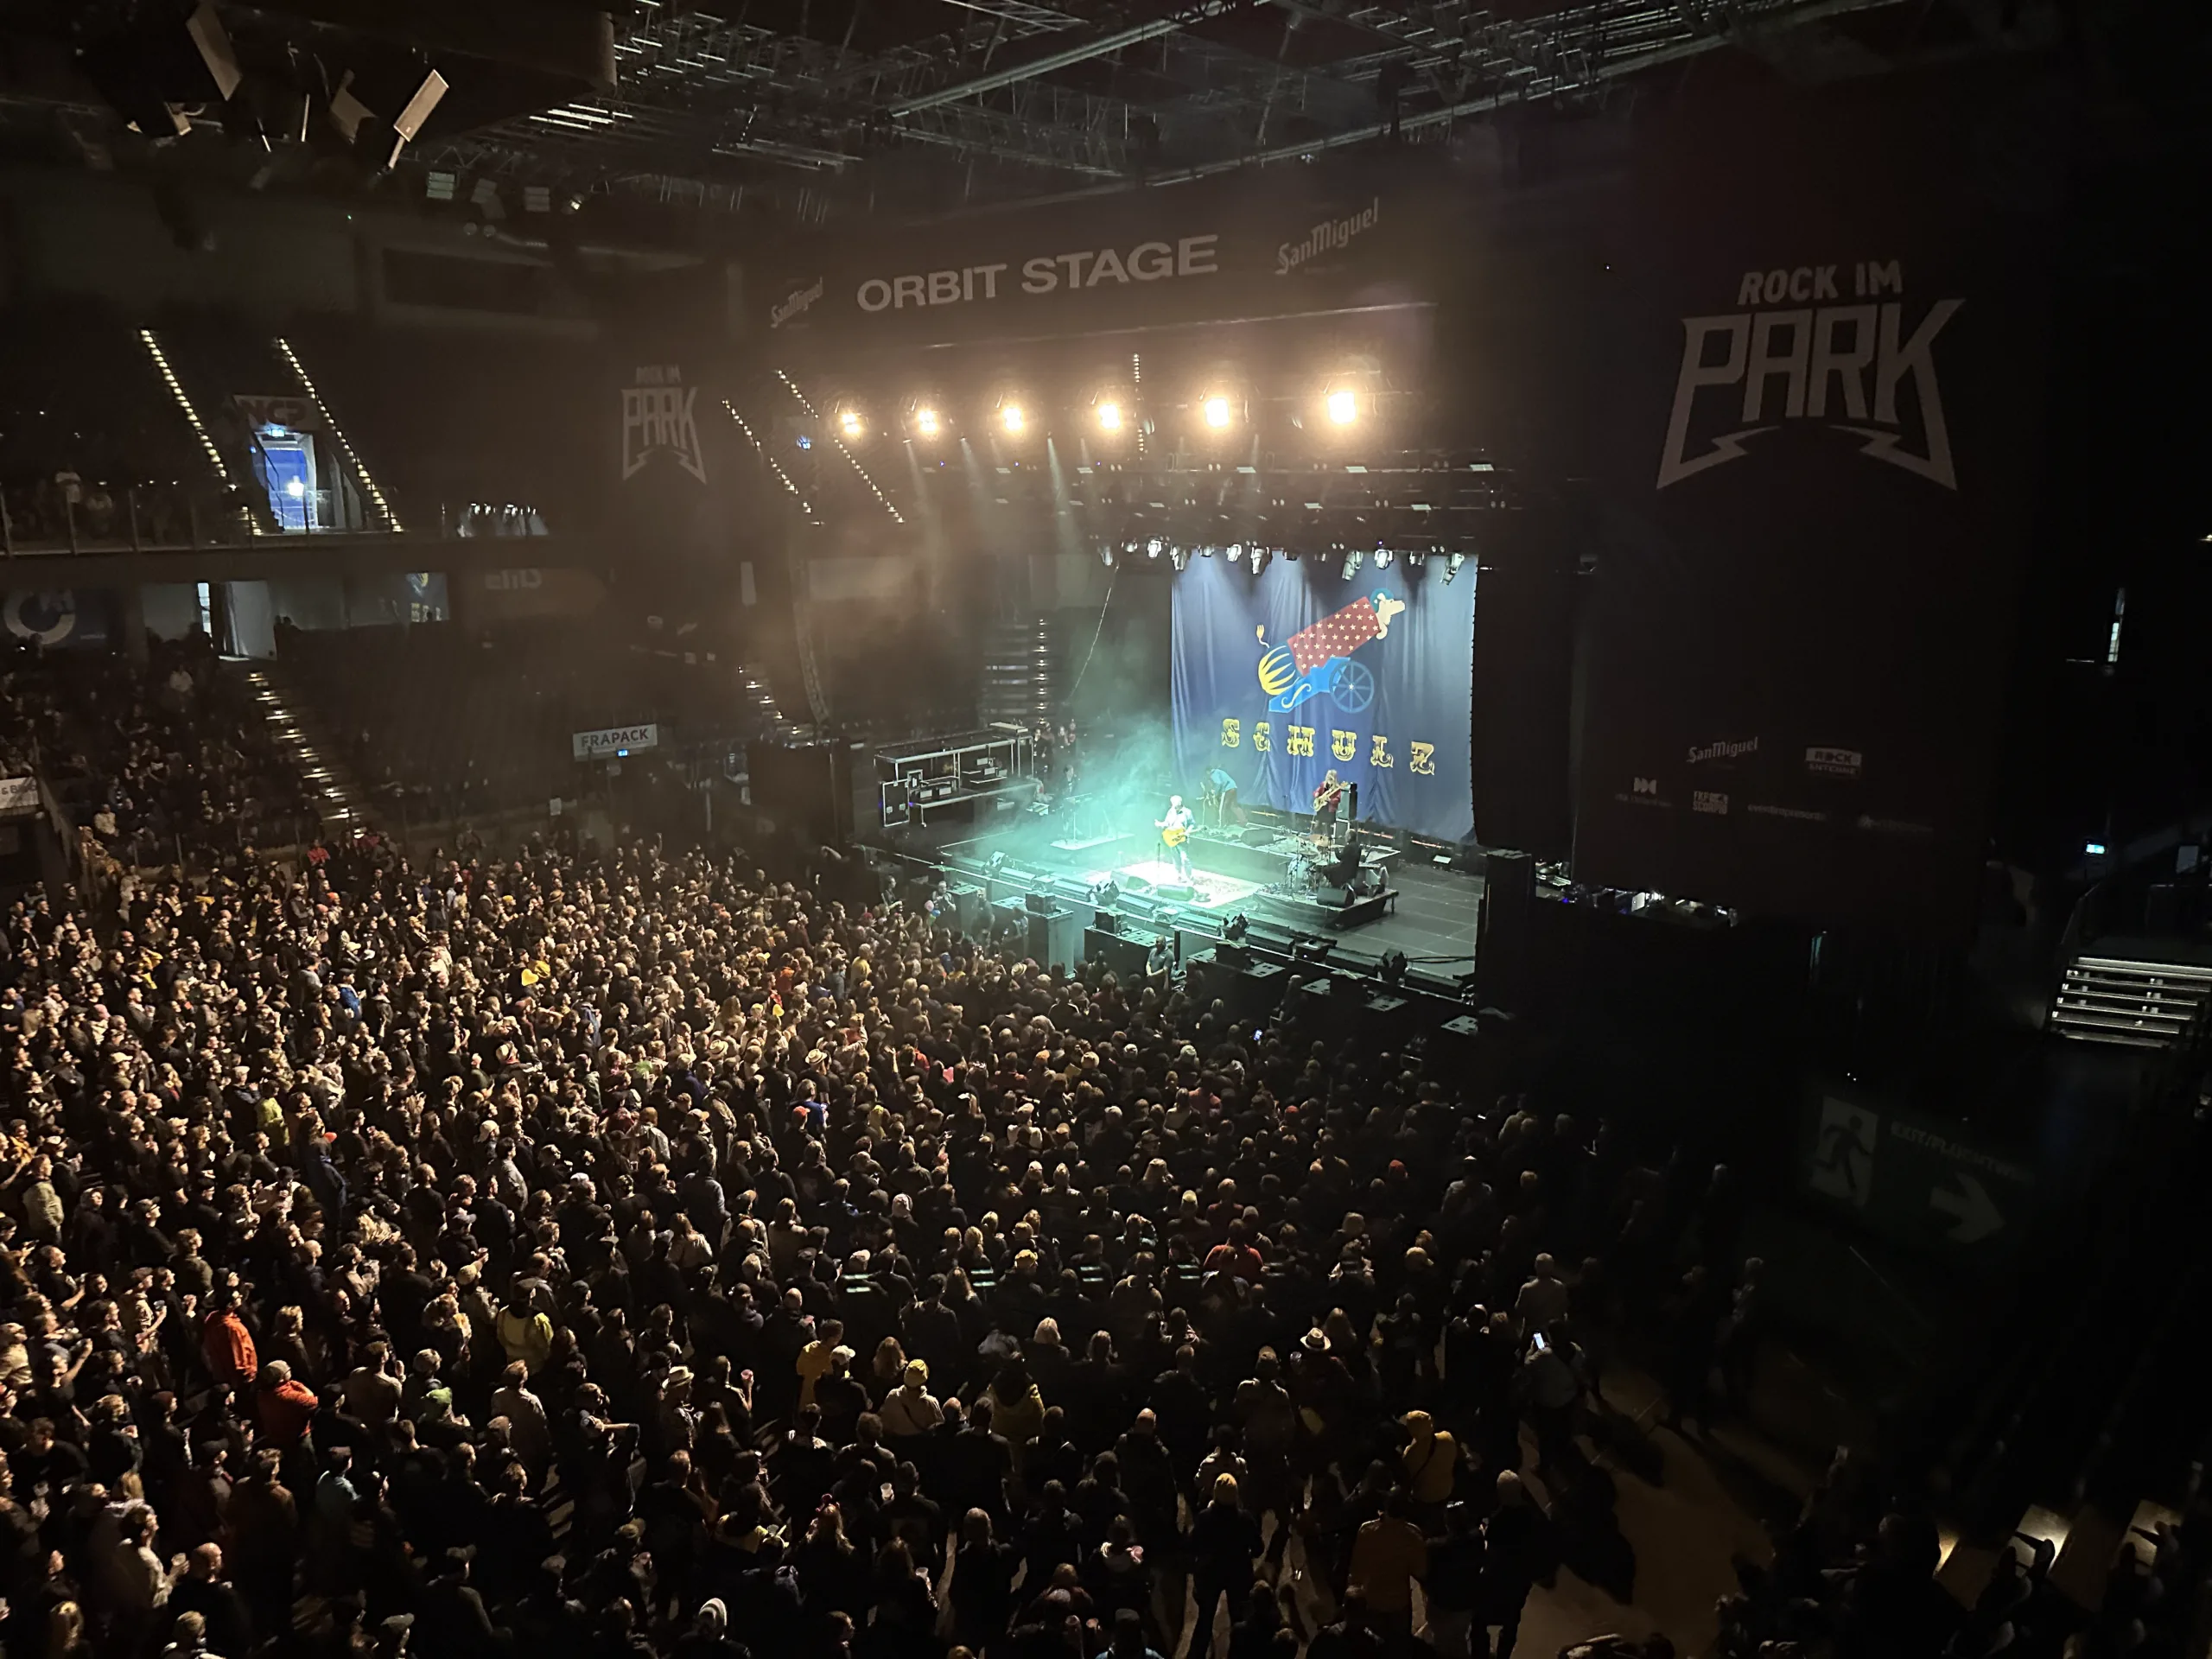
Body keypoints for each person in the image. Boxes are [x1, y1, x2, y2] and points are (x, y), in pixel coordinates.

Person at [1155, 794, 1195, 880]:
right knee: (1175, 858)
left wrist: (1188, 831)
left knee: (1185, 859)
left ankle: (1190, 877)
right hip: (1172, 838)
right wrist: (1160, 824)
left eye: (1176, 805)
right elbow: (1167, 823)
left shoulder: (1187, 812)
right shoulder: (1171, 811)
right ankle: (1179, 875)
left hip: (1182, 839)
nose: (1174, 807)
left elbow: (1192, 824)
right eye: (1173, 804)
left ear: (1180, 803)